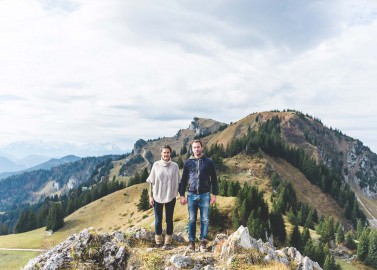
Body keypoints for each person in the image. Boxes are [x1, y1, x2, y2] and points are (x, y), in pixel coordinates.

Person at [179, 139, 219, 252]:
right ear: (192, 149)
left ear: (202, 148)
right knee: (191, 219)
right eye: (194, 147)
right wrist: (182, 195)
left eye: (198, 147)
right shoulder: (188, 162)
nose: (196, 149)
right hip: (191, 195)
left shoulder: (209, 162)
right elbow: (183, 179)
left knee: (205, 220)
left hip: (205, 195)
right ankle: (191, 242)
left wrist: (214, 194)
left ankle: (203, 242)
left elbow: (214, 179)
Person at [146, 145, 180, 249]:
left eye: (168, 152)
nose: (166, 154)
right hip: (157, 195)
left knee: (169, 220)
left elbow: (178, 181)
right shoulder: (156, 165)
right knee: (158, 220)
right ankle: (158, 242)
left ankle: (168, 242)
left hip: (170, 195)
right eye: (164, 152)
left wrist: (179, 194)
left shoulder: (175, 166)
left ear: (170, 153)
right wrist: (150, 196)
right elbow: (151, 181)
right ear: (161, 154)